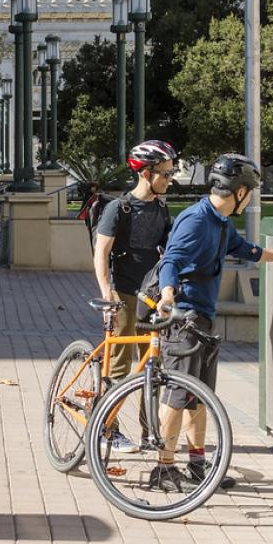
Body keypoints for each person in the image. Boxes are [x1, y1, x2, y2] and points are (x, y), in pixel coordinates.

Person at [153, 153, 273, 492]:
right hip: (184, 318)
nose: (249, 198)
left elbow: (244, 249)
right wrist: (166, 295)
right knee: (178, 395)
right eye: (249, 192)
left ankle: (195, 463)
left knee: (200, 395)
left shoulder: (220, 222)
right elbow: (172, 260)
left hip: (203, 319)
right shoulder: (195, 220)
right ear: (239, 192)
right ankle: (163, 467)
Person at [94, 140, 177, 453]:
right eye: (165, 174)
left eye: (170, 173)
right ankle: (107, 429)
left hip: (151, 297)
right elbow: (101, 254)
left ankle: (149, 432)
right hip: (124, 295)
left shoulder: (161, 208)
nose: (169, 179)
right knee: (117, 367)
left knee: (152, 367)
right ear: (146, 174)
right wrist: (107, 293)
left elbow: (169, 251)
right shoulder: (119, 208)